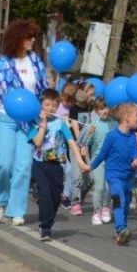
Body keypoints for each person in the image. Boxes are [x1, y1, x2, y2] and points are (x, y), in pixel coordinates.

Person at [0, 19, 50, 227]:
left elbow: (43, 89)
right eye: (28, 37)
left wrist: (45, 110)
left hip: (29, 120)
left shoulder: (36, 62)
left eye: (34, 37)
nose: (33, 40)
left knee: (23, 167)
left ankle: (17, 210)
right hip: (6, 118)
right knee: (3, 165)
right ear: (17, 38)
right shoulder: (3, 63)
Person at [29, 89, 88, 242]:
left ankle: (48, 220)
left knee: (55, 199)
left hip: (57, 166)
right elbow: (37, 142)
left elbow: (71, 142)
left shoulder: (60, 123)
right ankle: (45, 227)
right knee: (46, 195)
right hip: (40, 164)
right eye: (47, 105)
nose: (50, 108)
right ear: (40, 105)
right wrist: (42, 123)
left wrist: (80, 161)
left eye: (54, 106)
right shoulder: (33, 121)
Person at [87, 102, 137, 244]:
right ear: (126, 117)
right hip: (113, 176)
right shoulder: (111, 136)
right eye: (136, 115)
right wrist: (90, 167)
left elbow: (135, 153)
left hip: (128, 177)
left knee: (125, 204)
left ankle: (121, 234)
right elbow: (101, 155)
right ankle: (121, 228)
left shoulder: (132, 137)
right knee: (119, 199)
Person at [81, 98, 115, 225]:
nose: (104, 111)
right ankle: (96, 211)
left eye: (106, 107)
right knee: (99, 186)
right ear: (96, 110)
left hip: (112, 160)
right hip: (98, 160)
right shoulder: (94, 124)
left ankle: (106, 207)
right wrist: (88, 134)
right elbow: (84, 142)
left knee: (110, 186)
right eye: (101, 108)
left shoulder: (115, 124)